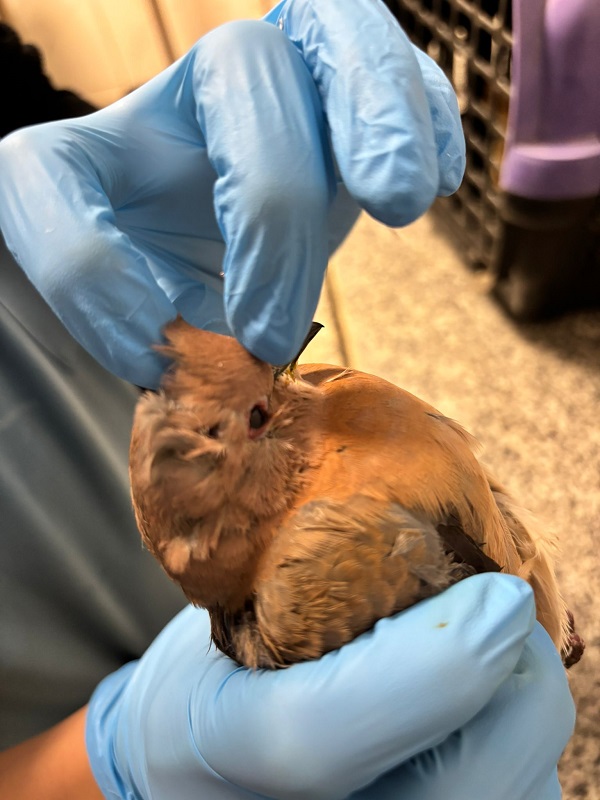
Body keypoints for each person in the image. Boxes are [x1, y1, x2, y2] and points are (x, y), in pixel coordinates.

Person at [0, 2, 574, 798]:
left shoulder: (301, 418)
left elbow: (31, 111)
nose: (286, 370)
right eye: (264, 404)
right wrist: (116, 761)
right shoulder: (321, 564)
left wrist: (181, 156)